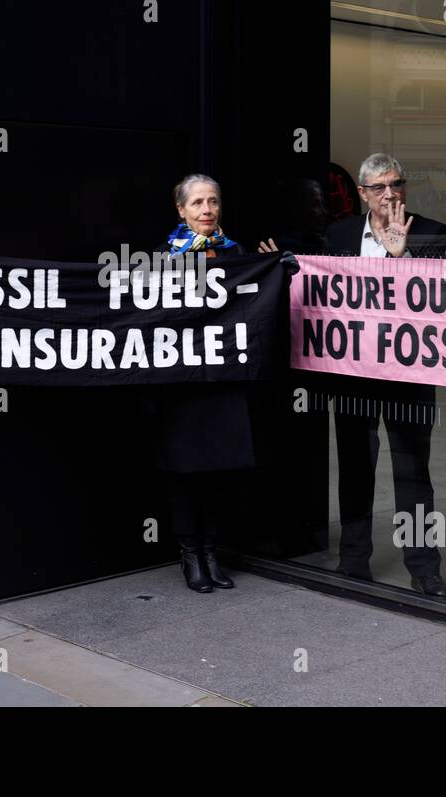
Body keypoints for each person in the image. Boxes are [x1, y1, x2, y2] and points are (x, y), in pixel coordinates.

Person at [324, 153, 446, 598]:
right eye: (379, 187)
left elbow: (440, 300)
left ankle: (424, 569)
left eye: (396, 184)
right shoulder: (338, 234)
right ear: (362, 194)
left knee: (413, 470)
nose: (390, 194)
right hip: (354, 373)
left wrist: (402, 255)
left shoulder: (432, 232)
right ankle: (353, 560)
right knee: (356, 468)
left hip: (410, 373)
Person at [153, 174, 260, 593]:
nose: (206, 210)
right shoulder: (162, 257)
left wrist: (280, 274)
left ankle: (211, 550)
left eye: (213, 201)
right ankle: (190, 553)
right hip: (182, 385)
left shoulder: (237, 254)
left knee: (216, 467)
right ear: (181, 209)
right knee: (185, 470)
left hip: (223, 380)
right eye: (197, 203)